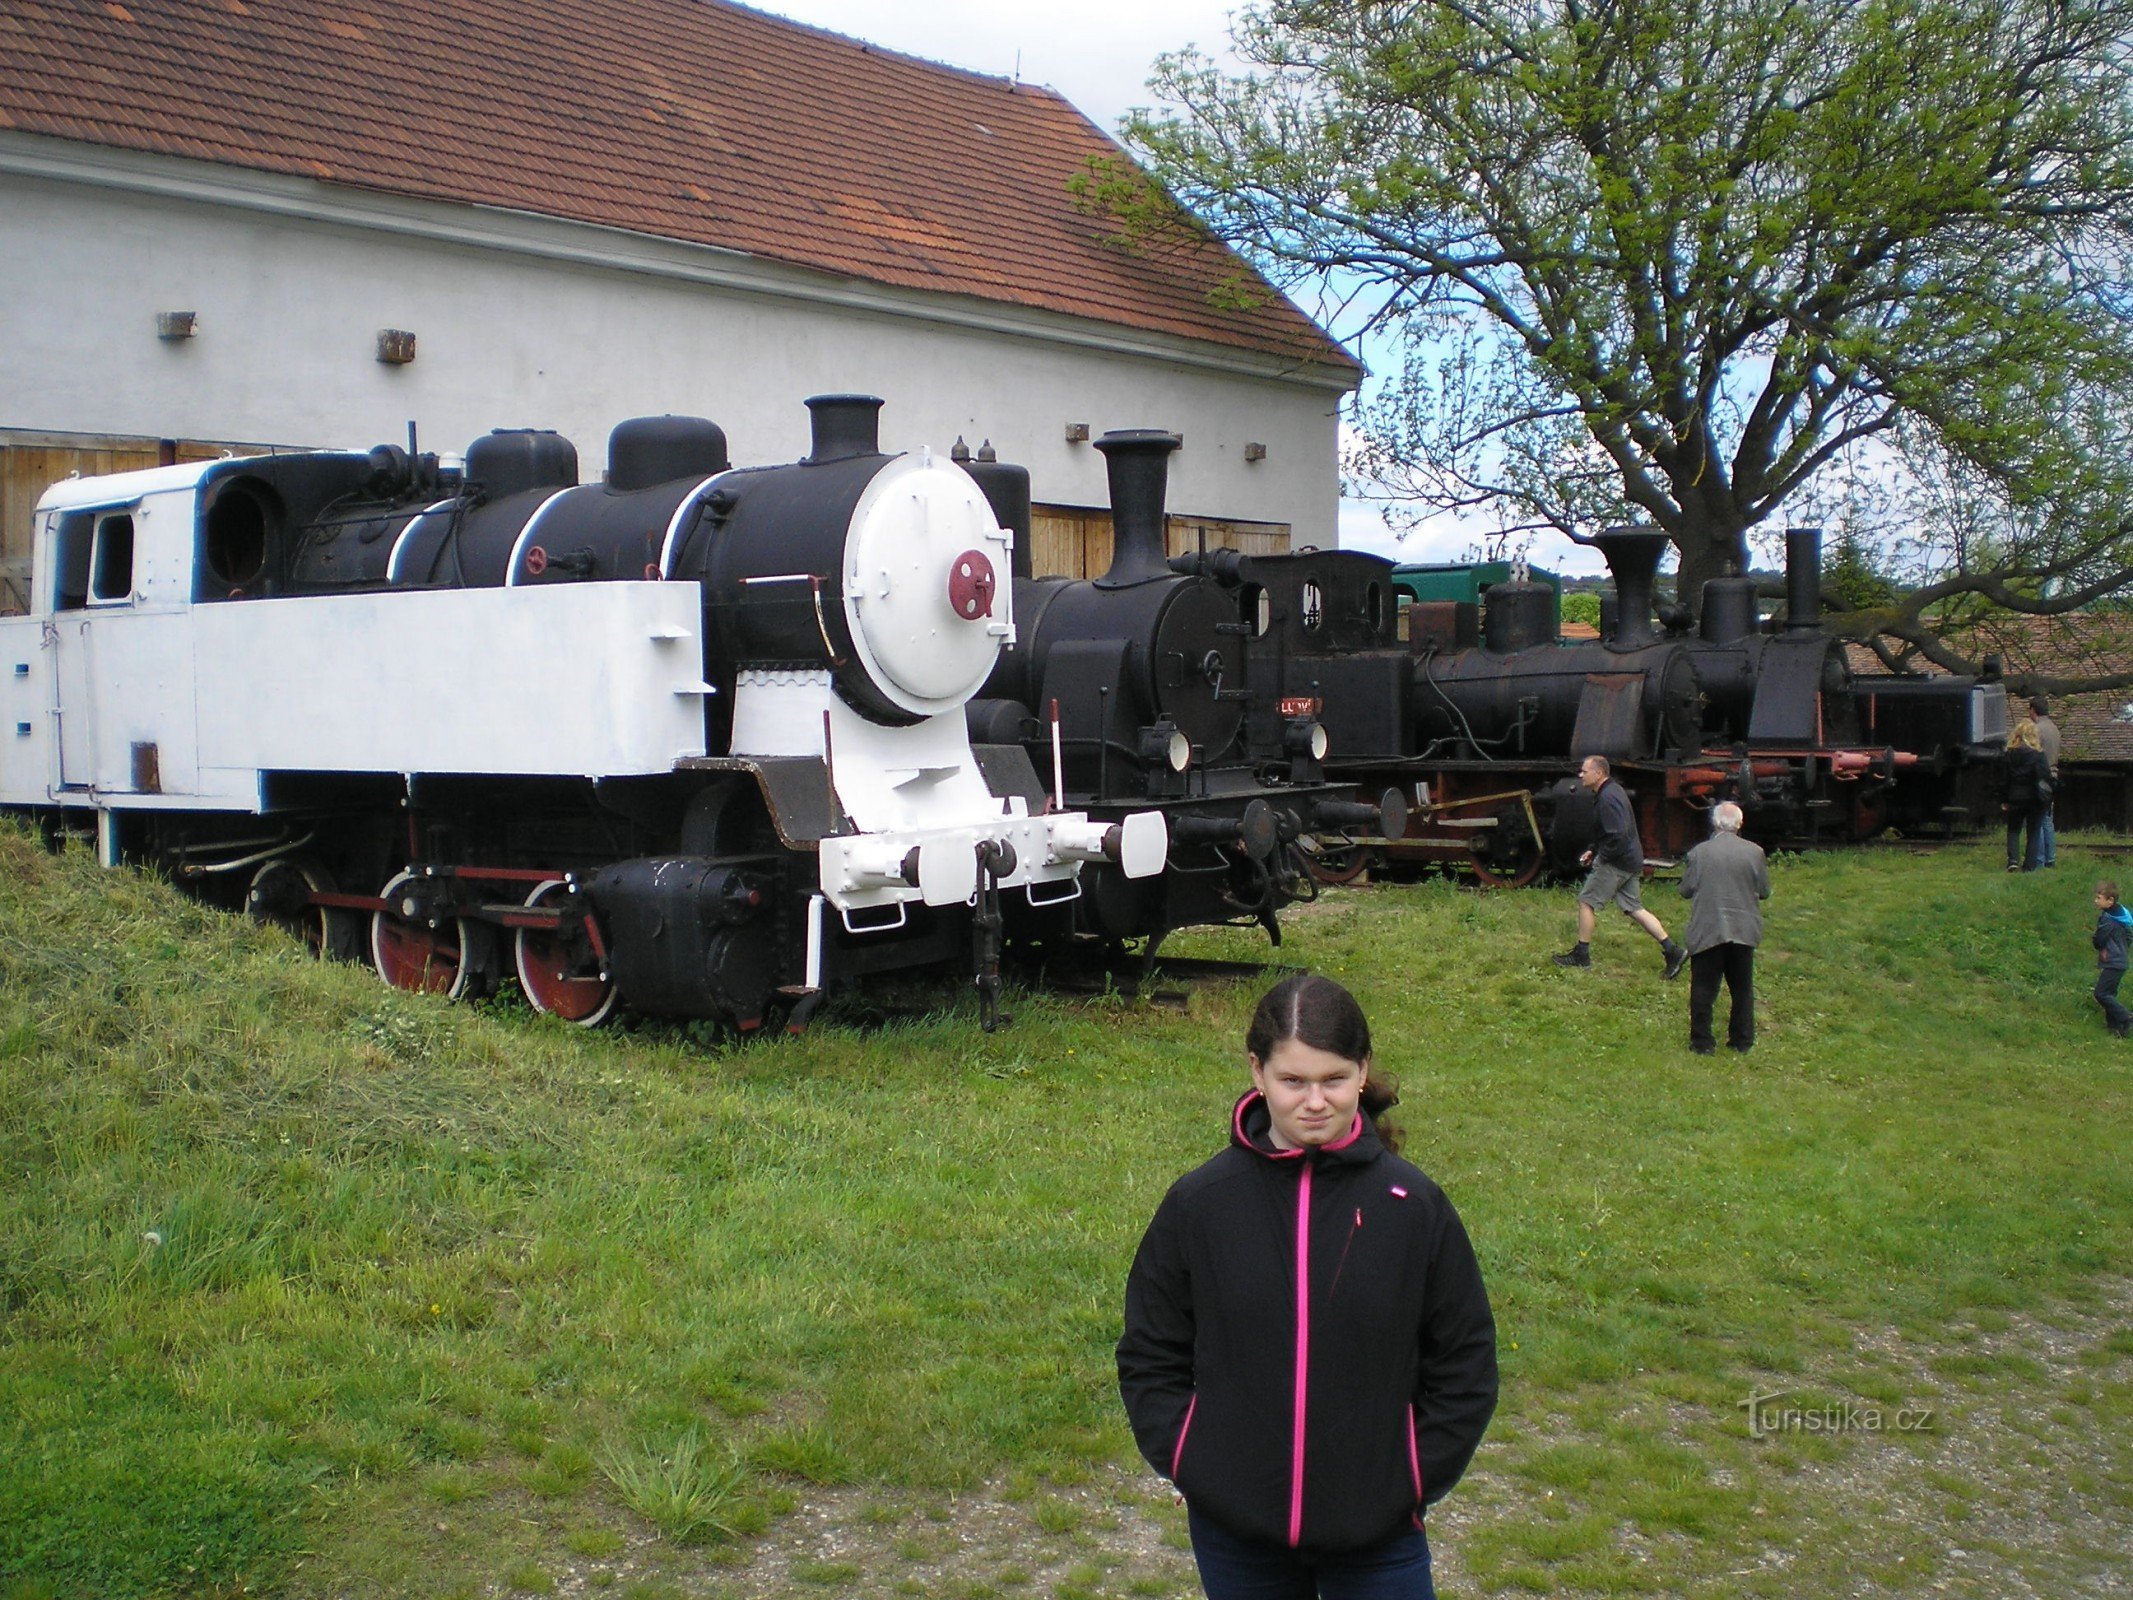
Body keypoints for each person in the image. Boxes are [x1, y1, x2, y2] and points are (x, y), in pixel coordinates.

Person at [1117, 974, 1498, 1600]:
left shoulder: (1413, 1207)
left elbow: (1465, 1362)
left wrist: (1408, 1477)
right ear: (1257, 1071)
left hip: (1379, 1539)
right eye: (1293, 1081)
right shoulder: (1201, 1204)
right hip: (1237, 1539)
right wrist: (1190, 1456)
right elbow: (1151, 1350)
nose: (1315, 1102)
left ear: (1363, 1070)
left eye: (1334, 1080)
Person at [1553, 754, 1689, 977]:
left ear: (1599, 773)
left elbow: (1617, 836)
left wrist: (1602, 857)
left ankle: (1581, 955)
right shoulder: (1612, 791)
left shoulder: (1607, 798)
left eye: (1584, 771)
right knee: (1634, 908)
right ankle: (1673, 951)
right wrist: (1593, 849)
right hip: (1630, 859)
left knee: (1586, 902)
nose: (1580, 775)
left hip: (1617, 862)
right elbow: (1609, 831)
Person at [1677, 801, 1771, 1054]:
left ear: (1714, 823)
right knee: (1742, 989)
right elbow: (1764, 891)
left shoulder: (1699, 852)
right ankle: (1742, 1040)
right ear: (1740, 824)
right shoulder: (1755, 852)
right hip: (1743, 929)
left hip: (1709, 928)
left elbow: (1685, 890)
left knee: (1703, 988)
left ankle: (1702, 1042)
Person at [2000, 720, 2052, 872]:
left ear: (2016, 735)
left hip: (2015, 796)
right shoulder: (2038, 754)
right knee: (2033, 832)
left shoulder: (2009, 754)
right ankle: (2029, 865)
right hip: (2034, 797)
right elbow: (2044, 776)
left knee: (2013, 829)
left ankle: (2013, 860)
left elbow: (2004, 779)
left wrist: (2004, 799)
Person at [2093, 881, 2130, 1039]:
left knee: (2101, 993)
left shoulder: (2108, 919)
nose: (2095, 901)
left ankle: (2126, 1017)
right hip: (2121, 960)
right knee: (2109, 994)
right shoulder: (2123, 917)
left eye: (2099, 898)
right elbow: (2129, 938)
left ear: (2110, 901)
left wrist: (2096, 941)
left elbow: (2099, 940)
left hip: (2112, 961)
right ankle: (2115, 1027)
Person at [2031, 696, 2062, 867]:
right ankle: (2050, 857)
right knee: (2048, 819)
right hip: (2053, 775)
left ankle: (2039, 859)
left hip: (2040, 777)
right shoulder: (2054, 728)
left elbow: (2034, 755)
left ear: (2033, 710)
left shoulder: (2037, 730)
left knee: (2038, 819)